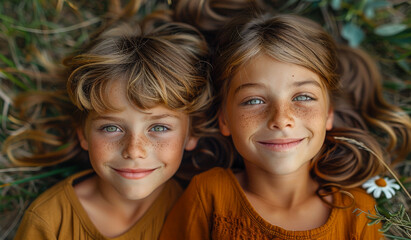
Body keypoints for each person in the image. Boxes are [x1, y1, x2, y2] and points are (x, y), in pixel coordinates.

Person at [159, 13, 388, 239]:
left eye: (303, 97)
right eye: (254, 101)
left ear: (329, 114)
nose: (281, 119)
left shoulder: (359, 212)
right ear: (224, 119)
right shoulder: (209, 195)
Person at [13, 14, 212, 239]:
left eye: (159, 128)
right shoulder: (49, 221)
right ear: (83, 134)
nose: (134, 150)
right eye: (111, 128)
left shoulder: (198, 214)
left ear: (191, 132)